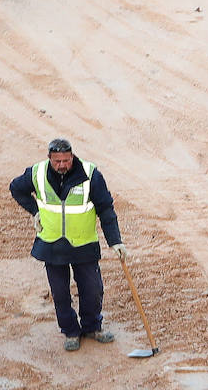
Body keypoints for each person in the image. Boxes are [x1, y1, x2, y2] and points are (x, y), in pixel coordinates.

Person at [9, 139, 126, 352]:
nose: (62, 165)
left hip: (83, 244)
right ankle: (71, 331)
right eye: (57, 161)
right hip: (52, 245)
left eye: (66, 160)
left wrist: (115, 240)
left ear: (72, 157)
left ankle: (92, 327)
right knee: (60, 293)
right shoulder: (37, 173)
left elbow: (106, 209)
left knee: (92, 289)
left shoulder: (91, 175)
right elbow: (16, 188)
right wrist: (34, 210)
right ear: (49, 159)